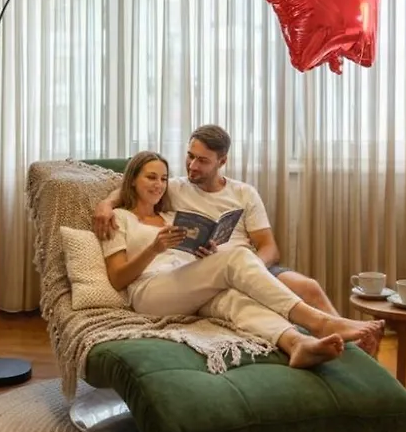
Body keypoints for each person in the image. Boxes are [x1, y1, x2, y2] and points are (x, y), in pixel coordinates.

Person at [93, 124, 383, 352]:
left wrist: (204, 256)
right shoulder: (122, 218)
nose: (191, 166)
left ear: (222, 161)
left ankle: (297, 343)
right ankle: (320, 323)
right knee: (235, 258)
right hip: (153, 290)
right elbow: (118, 277)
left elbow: (268, 248)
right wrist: (107, 205)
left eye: (163, 179)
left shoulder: (171, 214)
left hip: (199, 277)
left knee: (235, 301)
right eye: (190, 157)